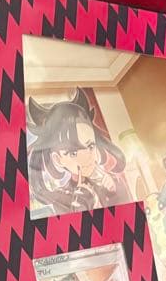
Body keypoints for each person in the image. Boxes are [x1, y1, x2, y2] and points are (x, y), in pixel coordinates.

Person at [26, 88, 135, 217]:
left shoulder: (111, 181)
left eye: (90, 146)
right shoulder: (61, 199)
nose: (87, 157)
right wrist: (81, 206)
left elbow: (128, 214)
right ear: (57, 159)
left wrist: (113, 189)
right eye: (73, 153)